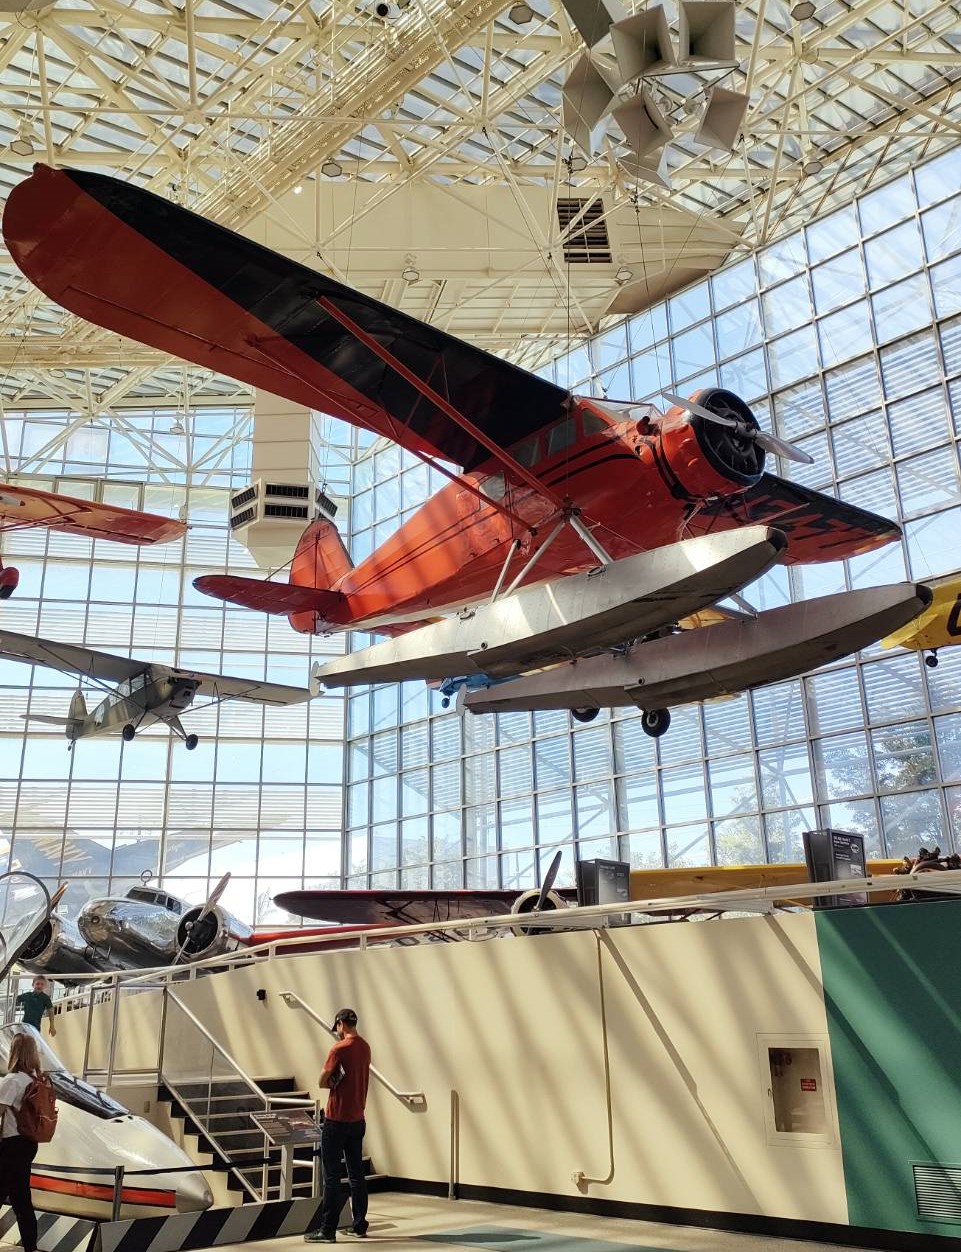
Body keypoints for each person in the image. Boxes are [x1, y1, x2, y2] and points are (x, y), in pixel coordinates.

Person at [306, 1008, 372, 1243]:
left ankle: (327, 1230)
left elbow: (322, 1080)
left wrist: (332, 1081)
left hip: (336, 1120)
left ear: (341, 1024)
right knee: (356, 1176)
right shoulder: (365, 1047)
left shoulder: (338, 1048)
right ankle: (359, 1225)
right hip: (358, 1119)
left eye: (338, 1028)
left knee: (332, 1176)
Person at [0, 1033, 43, 1252]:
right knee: (21, 1198)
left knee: (12, 1196)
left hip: (10, 1145)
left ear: (14, 1052)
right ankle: (30, 1247)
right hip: (28, 1143)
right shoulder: (35, 1078)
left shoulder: (12, 1080)